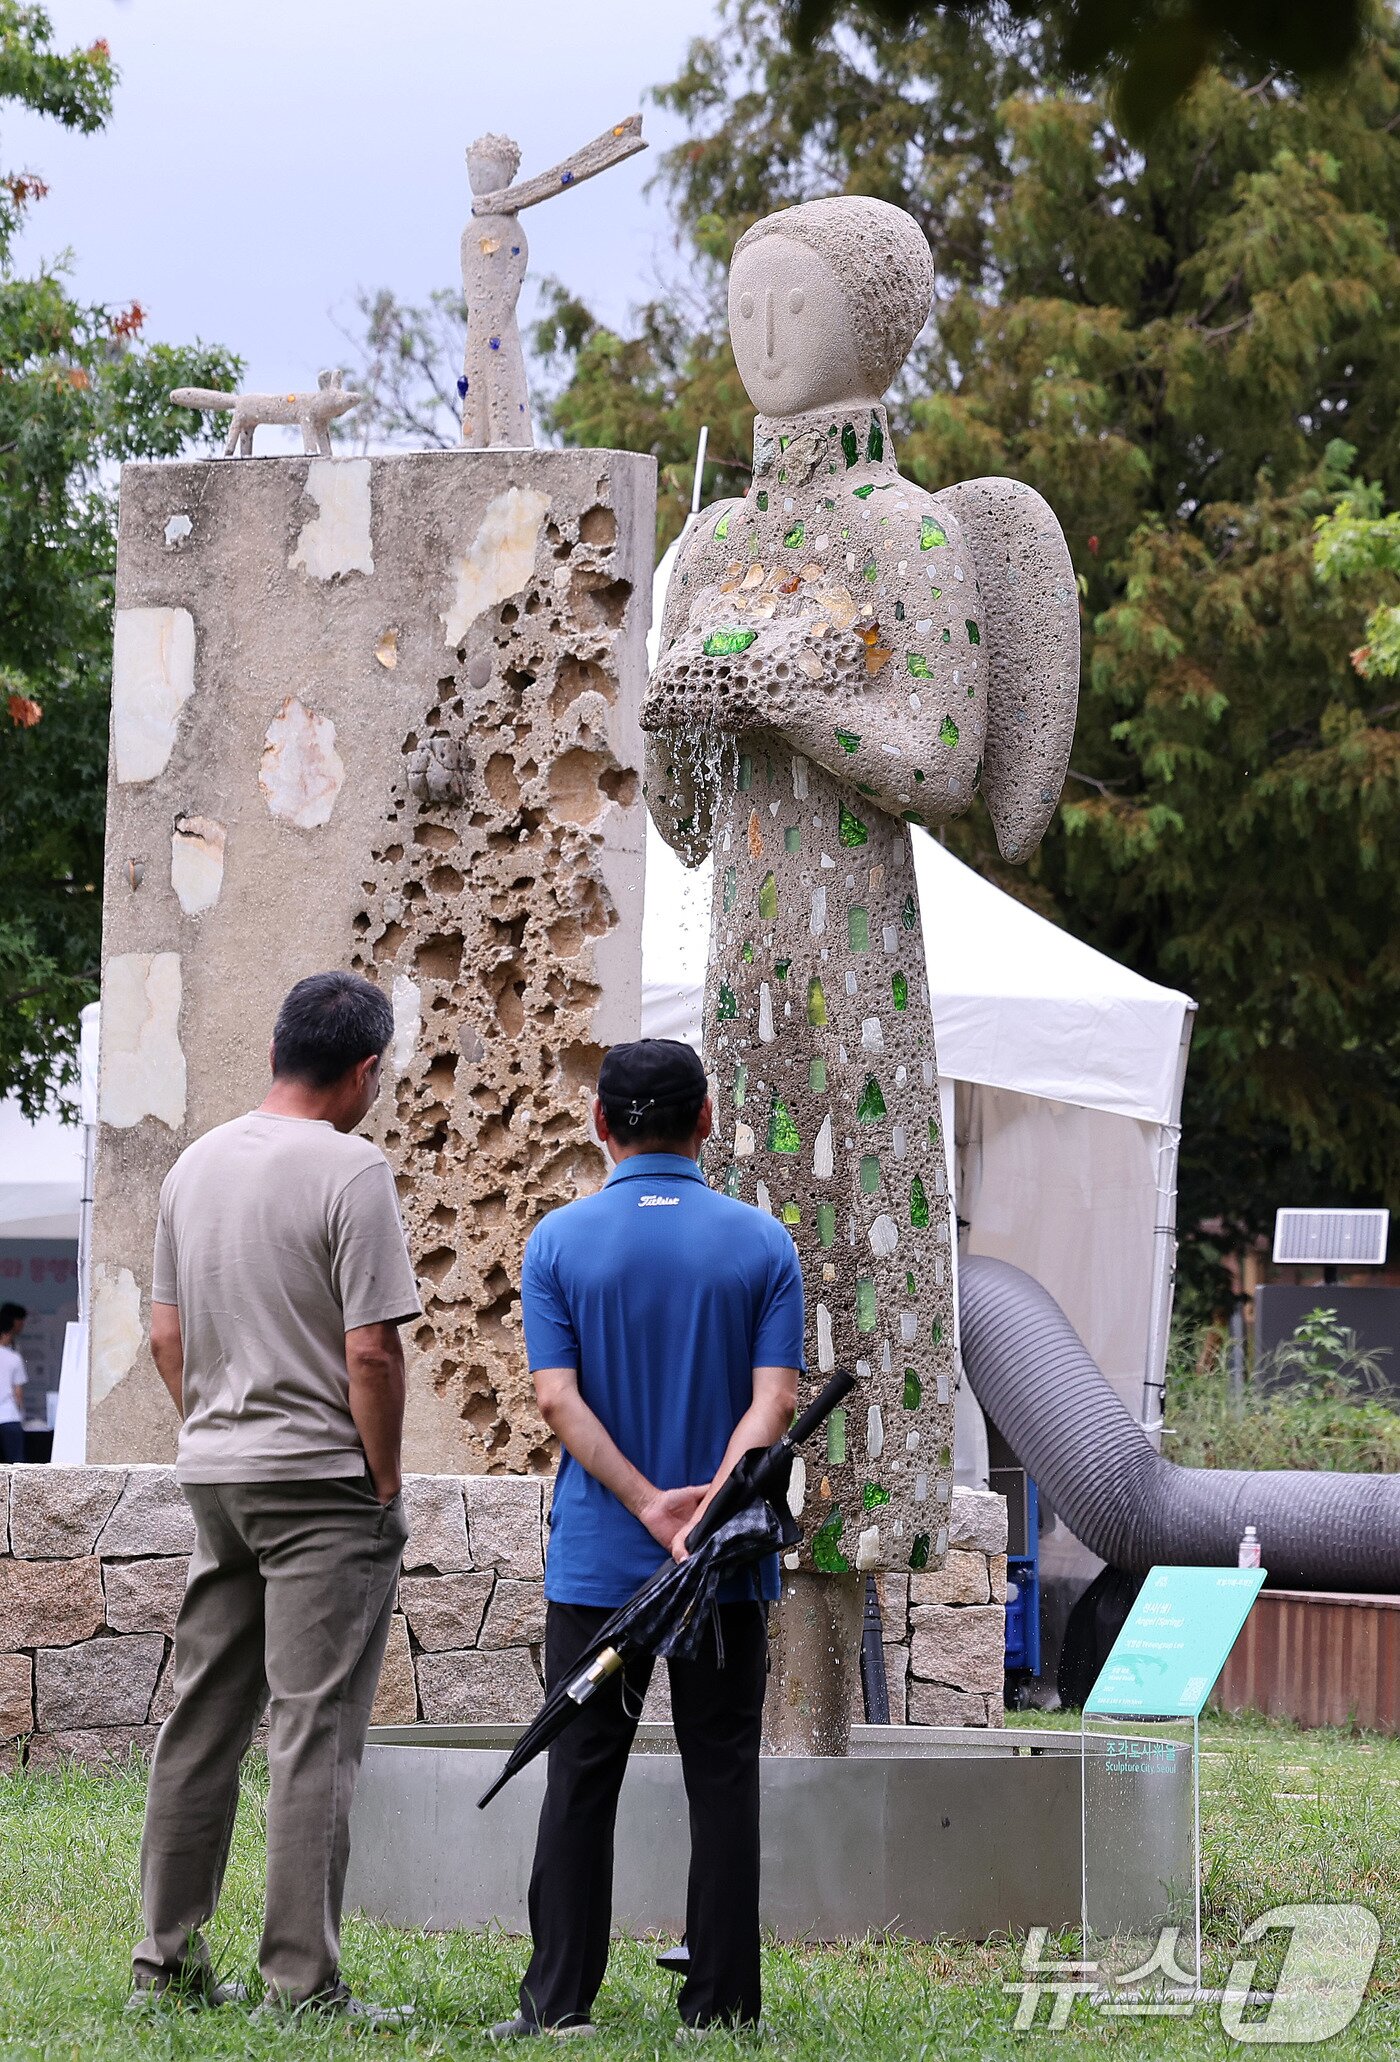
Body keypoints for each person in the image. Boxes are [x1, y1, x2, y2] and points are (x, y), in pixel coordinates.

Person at [492, 1038, 805, 2039]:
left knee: (580, 1773)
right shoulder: (762, 1245)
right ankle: (718, 2007)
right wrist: (707, 1510)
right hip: (723, 1561)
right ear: (706, 1120)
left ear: (601, 1124)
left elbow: (554, 1397)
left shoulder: (557, 1243)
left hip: (598, 1556)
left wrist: (644, 1503)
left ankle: (557, 2004)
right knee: (722, 1772)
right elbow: (777, 1399)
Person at [131, 972, 421, 2022]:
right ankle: (299, 1984)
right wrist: (381, 1478)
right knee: (311, 1731)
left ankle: (163, 1962)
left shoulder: (194, 1164)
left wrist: (211, 1424)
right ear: (361, 1071)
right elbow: (372, 1349)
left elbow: (164, 1334)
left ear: (273, 1048)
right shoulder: (352, 1169)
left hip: (217, 1470)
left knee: (203, 1718)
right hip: (321, 1484)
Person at [0, 1303, 27, 1463]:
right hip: (9, 1416)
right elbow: (18, 1392)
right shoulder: (14, 1357)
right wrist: (22, 1414)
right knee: (16, 1463)